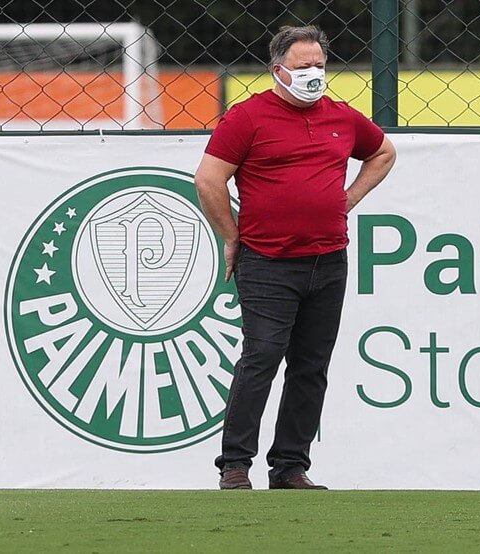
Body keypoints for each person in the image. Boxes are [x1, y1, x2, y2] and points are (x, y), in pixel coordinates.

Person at [194, 25, 396, 490]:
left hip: (329, 261)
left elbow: (383, 152)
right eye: (303, 67)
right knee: (261, 357)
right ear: (278, 70)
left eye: (320, 66)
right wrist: (232, 237)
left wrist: (346, 200)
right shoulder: (247, 117)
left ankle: (289, 466)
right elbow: (208, 180)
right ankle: (235, 464)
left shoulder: (342, 117)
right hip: (267, 262)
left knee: (310, 366)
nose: (313, 75)